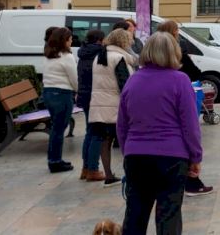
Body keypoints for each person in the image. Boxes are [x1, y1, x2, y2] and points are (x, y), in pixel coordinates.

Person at [117, 32, 203, 235]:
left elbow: (122, 124)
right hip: (172, 156)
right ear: (174, 52)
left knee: (135, 214)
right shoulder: (180, 80)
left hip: (137, 156)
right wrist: (195, 156)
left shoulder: (133, 81)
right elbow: (190, 125)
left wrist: (128, 151)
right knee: (168, 216)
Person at [157, 21, 213, 196]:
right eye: (176, 30)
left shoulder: (140, 77)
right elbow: (195, 72)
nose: (178, 33)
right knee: (184, 135)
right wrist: (196, 156)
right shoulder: (177, 58)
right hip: (179, 100)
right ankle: (191, 182)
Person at [94, 28, 135, 186]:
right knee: (126, 138)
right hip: (115, 104)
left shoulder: (100, 56)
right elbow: (125, 84)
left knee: (105, 140)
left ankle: (108, 174)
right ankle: (130, 173)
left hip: (100, 104)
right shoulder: (119, 58)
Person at [43, 27, 78, 174]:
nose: (71, 41)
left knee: (56, 129)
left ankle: (54, 158)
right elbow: (74, 78)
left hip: (48, 92)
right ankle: (55, 162)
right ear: (64, 40)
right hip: (62, 94)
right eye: (70, 39)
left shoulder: (49, 54)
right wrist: (77, 91)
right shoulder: (67, 56)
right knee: (58, 129)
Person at [76, 29, 107, 181]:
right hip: (96, 97)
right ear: (100, 40)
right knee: (98, 133)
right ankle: (93, 169)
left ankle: (86, 168)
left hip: (84, 96)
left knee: (90, 132)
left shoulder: (83, 53)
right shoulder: (99, 53)